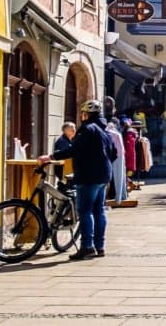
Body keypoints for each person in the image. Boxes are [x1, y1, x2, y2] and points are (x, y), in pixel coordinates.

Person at [38, 99, 115, 259]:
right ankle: (99, 246)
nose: (81, 116)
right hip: (103, 176)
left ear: (87, 114)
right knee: (99, 211)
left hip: (87, 176)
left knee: (85, 211)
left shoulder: (87, 129)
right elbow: (113, 153)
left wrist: (51, 156)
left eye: (83, 113)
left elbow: (74, 149)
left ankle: (87, 246)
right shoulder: (106, 130)